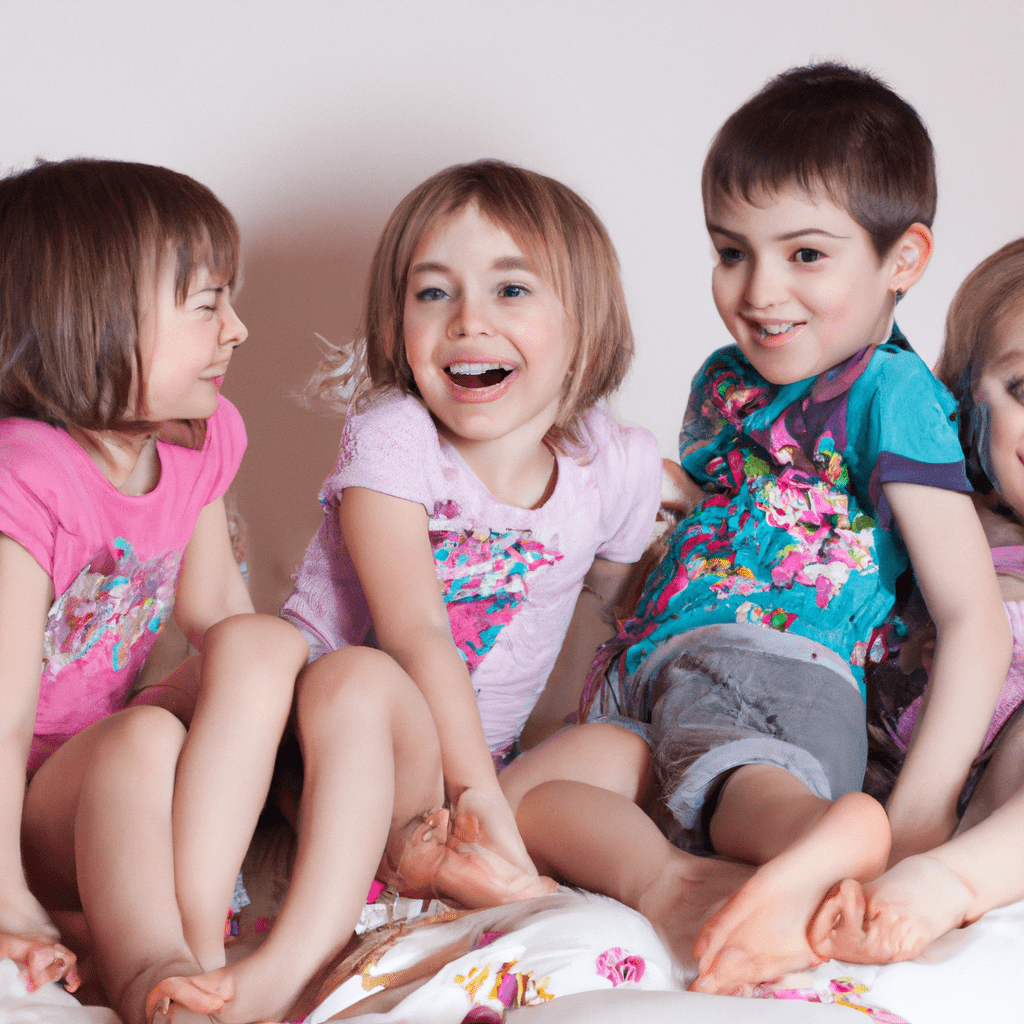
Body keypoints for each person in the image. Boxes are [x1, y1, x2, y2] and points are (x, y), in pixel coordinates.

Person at [498, 63, 1012, 998]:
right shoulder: (724, 380)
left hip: (773, 668)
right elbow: (708, 537)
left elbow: (973, 614)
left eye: (805, 255)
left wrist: (922, 813)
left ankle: (823, 833)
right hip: (653, 668)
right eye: (732, 251)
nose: (760, 289)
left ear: (903, 261)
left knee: (742, 780)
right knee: (518, 803)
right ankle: (686, 884)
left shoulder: (890, 394)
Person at [148, 159, 663, 1023]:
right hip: (324, 730)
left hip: (461, 758)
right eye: (433, 294)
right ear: (398, 320)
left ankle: (457, 858)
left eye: (511, 290)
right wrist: (477, 795)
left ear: (588, 321)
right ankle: (297, 959)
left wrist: (500, 779)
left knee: (626, 750)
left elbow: (601, 610)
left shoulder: (616, 465)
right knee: (361, 675)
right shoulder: (393, 442)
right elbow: (417, 630)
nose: (469, 321)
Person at [0, 158, 299, 1024]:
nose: (237, 329)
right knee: (138, 741)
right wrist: (10, 898)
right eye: (208, 306)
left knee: (269, 641)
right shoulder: (28, 471)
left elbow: (217, 619)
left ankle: (201, 921)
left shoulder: (202, 443)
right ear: (90, 322)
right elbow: (7, 712)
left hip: (118, 762)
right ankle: (149, 976)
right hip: (29, 794)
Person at [810, 237, 1024, 964]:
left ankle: (949, 882)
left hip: (998, 804)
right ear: (965, 401)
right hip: (869, 774)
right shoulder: (927, 506)